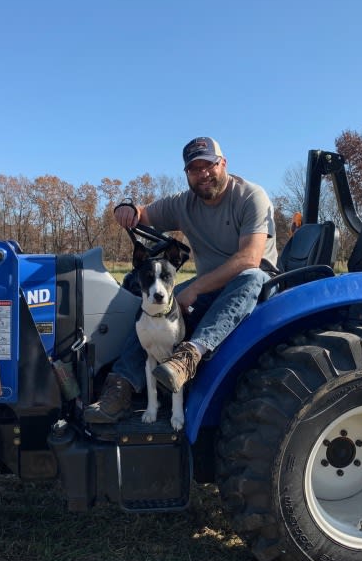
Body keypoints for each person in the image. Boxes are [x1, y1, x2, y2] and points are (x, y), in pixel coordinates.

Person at [84, 136, 278, 424]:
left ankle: (188, 357)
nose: (203, 174)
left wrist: (195, 289)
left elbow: (249, 258)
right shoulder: (184, 204)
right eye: (194, 169)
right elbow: (144, 214)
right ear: (187, 173)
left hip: (252, 289)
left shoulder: (251, 196)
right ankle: (121, 385)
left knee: (251, 274)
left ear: (222, 163)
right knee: (150, 305)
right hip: (210, 286)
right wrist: (126, 208)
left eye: (209, 165)